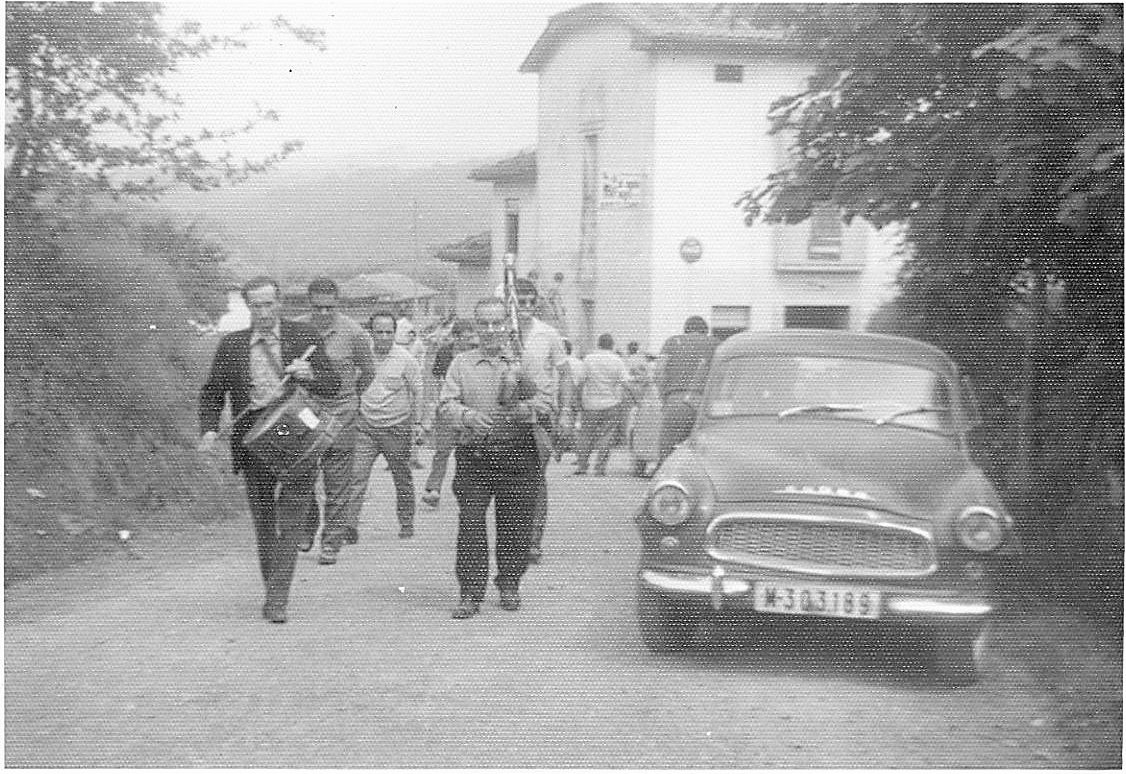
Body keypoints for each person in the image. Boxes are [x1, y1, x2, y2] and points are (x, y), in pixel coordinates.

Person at [198, 275, 341, 624]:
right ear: (248, 306)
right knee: (264, 521)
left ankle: (278, 598)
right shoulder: (231, 345)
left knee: (289, 519)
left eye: (269, 304)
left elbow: (333, 385)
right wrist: (209, 430)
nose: (264, 312)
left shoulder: (303, 337)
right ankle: (273, 587)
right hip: (253, 439)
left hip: (295, 433)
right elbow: (213, 393)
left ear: (280, 304)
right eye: (256, 305)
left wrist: (309, 374)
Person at [438, 296, 551, 618]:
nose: (490, 330)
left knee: (514, 526)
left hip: (518, 455)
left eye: (497, 323)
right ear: (475, 327)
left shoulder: (525, 361)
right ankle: (471, 592)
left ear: (507, 325)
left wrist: (525, 411)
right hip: (475, 456)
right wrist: (468, 416)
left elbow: (547, 402)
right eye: (483, 323)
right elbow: (445, 405)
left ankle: (510, 583)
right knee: (471, 526)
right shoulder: (461, 363)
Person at [296, 276, 376, 566]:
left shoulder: (354, 333)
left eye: (329, 307)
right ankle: (307, 526)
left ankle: (331, 543)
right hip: (305, 414)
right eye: (318, 307)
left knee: (338, 483)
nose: (324, 313)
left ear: (338, 304)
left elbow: (367, 372)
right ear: (310, 304)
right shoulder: (297, 330)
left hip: (341, 414)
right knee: (300, 476)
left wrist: (351, 399)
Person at [341, 306, 424, 540]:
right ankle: (350, 526)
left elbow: (418, 392)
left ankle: (406, 522)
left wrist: (418, 424)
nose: (384, 337)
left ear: (395, 333)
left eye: (389, 332)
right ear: (371, 333)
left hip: (396, 428)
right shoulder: (361, 356)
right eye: (379, 332)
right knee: (356, 476)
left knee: (402, 477)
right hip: (365, 427)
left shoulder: (406, 360)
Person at [511, 277, 573, 564]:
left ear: (535, 304)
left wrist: (566, 412)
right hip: (507, 418)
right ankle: (513, 538)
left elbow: (565, 376)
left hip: (540, 418)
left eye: (529, 302)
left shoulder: (548, 334)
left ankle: (533, 540)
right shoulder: (502, 333)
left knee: (535, 479)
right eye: (518, 302)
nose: (524, 307)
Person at [421, 317, 477, 507]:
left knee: (467, 452)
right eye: (464, 337)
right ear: (455, 337)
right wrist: (436, 404)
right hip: (448, 407)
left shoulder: (476, 354)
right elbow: (437, 379)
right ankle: (433, 489)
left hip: (470, 409)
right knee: (442, 451)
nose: (468, 341)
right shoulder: (445, 353)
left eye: (471, 337)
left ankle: (467, 490)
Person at [655, 315, 718, 466]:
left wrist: (664, 396)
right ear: (705, 330)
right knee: (704, 449)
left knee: (669, 447)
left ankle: (670, 482)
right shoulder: (715, 343)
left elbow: (658, 372)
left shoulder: (671, 342)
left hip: (675, 399)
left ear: (686, 329)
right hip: (704, 402)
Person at [573, 333, 632, 476]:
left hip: (590, 404)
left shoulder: (589, 359)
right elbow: (625, 383)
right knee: (607, 436)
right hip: (611, 404)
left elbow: (580, 381)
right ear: (612, 345)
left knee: (585, 435)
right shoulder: (617, 360)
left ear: (598, 344)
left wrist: (578, 399)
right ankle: (599, 468)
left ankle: (582, 466)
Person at [628, 350, 662, 477]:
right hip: (655, 406)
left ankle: (639, 466)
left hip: (646, 407)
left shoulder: (646, 374)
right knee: (652, 437)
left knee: (641, 436)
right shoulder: (656, 370)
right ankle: (651, 466)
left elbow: (638, 384)